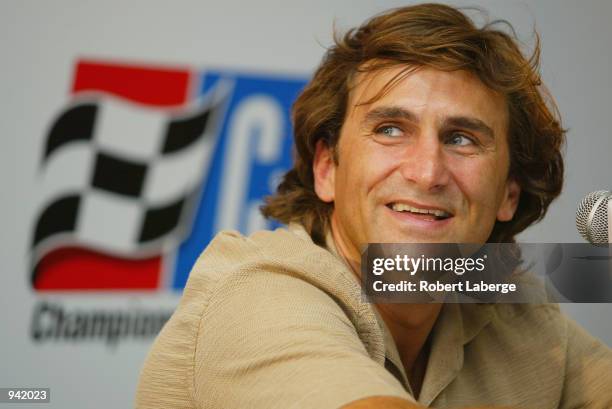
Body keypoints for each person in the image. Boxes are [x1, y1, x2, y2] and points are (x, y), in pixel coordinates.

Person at [135, 3, 612, 408]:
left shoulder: (503, 300)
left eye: (462, 139)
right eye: (390, 129)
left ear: (509, 192)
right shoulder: (255, 292)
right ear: (327, 168)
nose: (427, 172)